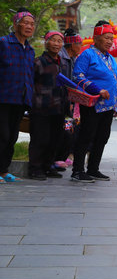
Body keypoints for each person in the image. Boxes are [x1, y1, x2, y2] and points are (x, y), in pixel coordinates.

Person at [71, 20, 117, 183]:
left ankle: (93, 169)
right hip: (92, 104)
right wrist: (97, 89)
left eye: (111, 39)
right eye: (106, 38)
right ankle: (77, 171)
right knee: (86, 136)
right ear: (96, 38)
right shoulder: (87, 54)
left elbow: (115, 80)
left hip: (108, 106)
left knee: (102, 137)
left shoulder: (110, 58)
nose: (109, 42)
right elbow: (78, 76)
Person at [0, 8, 36, 183]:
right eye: (26, 23)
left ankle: (3, 170)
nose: (29, 26)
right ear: (16, 24)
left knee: (12, 136)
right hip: (3, 97)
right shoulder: (4, 43)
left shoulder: (30, 50)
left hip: (20, 99)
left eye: (32, 24)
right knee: (2, 135)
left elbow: (29, 76)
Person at [28, 31, 67, 180]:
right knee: (40, 138)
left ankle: (48, 166)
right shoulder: (38, 62)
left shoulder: (62, 63)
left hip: (58, 107)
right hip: (40, 106)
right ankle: (35, 169)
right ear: (47, 42)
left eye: (60, 41)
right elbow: (30, 83)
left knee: (54, 139)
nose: (57, 44)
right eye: (54, 40)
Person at [55, 28, 83, 170]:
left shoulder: (73, 59)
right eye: (79, 43)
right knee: (61, 129)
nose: (81, 46)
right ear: (72, 45)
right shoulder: (61, 57)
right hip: (58, 100)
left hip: (68, 101)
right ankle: (56, 158)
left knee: (68, 128)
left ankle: (62, 156)